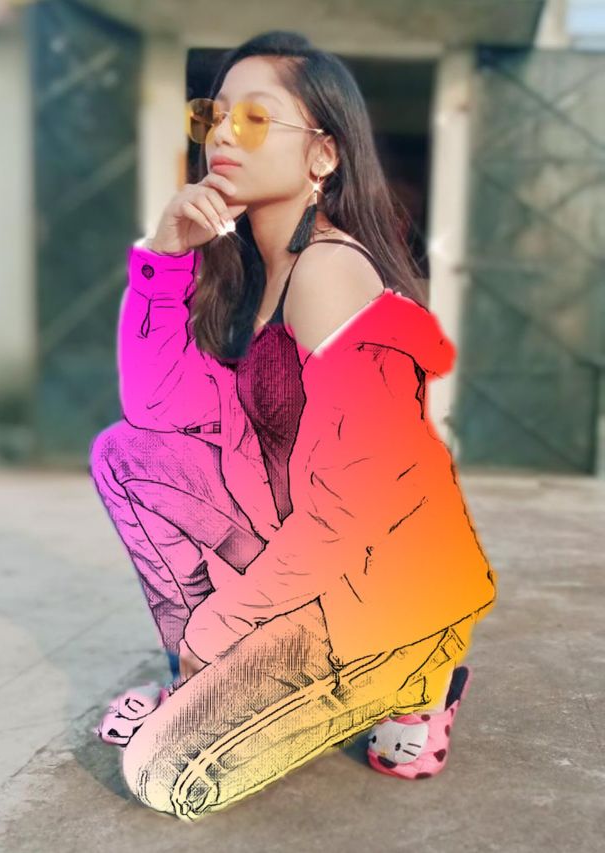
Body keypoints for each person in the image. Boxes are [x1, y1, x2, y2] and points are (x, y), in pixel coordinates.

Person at [89, 30, 497, 820]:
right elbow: (156, 409)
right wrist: (166, 254)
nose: (222, 135)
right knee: (124, 456)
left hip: (383, 588)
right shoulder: (246, 270)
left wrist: (223, 622)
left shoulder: (329, 273)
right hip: (310, 558)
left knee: (165, 775)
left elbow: (359, 505)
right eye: (214, 115)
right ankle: (199, 679)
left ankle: (423, 679)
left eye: (254, 117)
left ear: (323, 155)